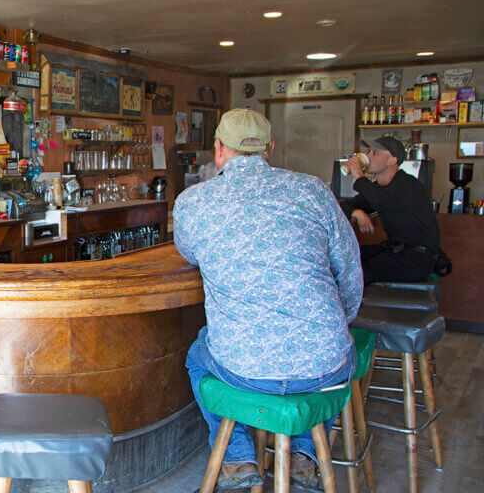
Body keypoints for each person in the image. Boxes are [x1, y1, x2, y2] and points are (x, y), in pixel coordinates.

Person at [174, 108, 363, 491]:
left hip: (243, 368)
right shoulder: (313, 190)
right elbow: (350, 270)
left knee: (198, 355)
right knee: (336, 353)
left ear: (219, 150)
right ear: (269, 148)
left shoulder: (193, 202)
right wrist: (337, 322)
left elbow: (189, 252)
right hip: (323, 365)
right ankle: (303, 454)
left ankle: (237, 457)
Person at [340, 136, 444, 283]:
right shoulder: (380, 188)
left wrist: (358, 175)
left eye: (374, 153)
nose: (367, 156)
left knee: (357, 271)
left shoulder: (406, 185)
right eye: (368, 151)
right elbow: (344, 205)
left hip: (418, 258)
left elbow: (379, 199)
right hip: (397, 250)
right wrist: (356, 212)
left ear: (392, 160)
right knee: (347, 256)